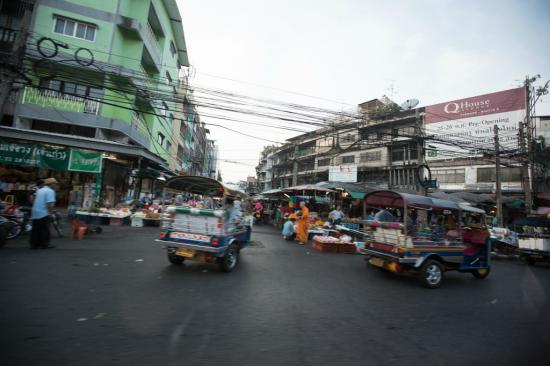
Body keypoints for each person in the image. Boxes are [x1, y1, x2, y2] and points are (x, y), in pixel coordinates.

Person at [30, 177, 57, 249]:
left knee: (35, 229)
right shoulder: (50, 191)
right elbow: (49, 204)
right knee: (45, 229)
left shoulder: (40, 190)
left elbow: (33, 199)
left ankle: (34, 244)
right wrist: (51, 214)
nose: (56, 185)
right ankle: (44, 244)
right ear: (51, 184)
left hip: (35, 211)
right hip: (43, 212)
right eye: (55, 184)